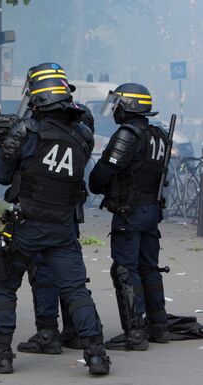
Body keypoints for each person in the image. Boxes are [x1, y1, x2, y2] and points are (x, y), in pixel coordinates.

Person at [0, 72, 110, 375]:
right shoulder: (83, 133)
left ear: (38, 98)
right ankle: (96, 354)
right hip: (63, 227)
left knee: (4, 287)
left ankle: (0, 355)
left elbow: (2, 175)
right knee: (76, 291)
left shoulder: (27, 129)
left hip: (27, 225)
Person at [89, 83, 171, 351]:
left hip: (130, 211)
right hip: (151, 210)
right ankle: (158, 326)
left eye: (118, 105)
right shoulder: (157, 134)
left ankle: (135, 333)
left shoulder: (127, 134)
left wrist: (98, 184)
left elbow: (103, 174)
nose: (115, 111)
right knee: (150, 268)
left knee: (125, 270)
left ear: (127, 107)